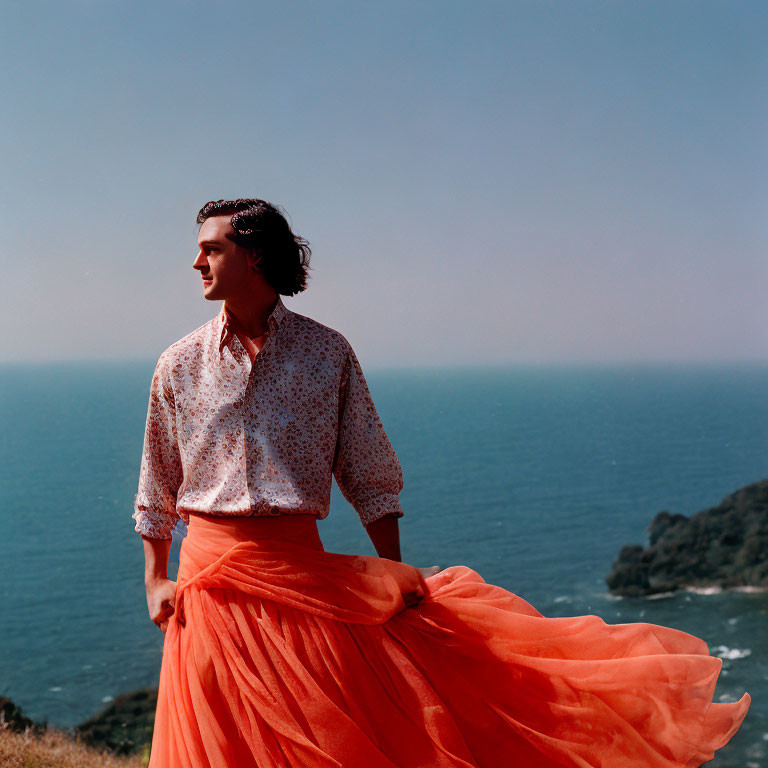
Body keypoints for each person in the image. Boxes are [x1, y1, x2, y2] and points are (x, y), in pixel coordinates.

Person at [133, 198, 750, 768]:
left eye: (210, 248)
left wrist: (391, 577)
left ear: (256, 255)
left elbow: (369, 473)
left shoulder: (326, 354)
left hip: (305, 580)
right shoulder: (179, 363)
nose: (196, 261)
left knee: (327, 742)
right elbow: (157, 479)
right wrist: (156, 578)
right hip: (209, 588)